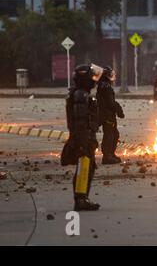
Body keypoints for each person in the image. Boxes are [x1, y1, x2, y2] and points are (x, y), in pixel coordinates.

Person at [61, 64, 103, 211]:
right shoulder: (80, 95)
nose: (94, 80)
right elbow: (80, 121)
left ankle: (82, 198)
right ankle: (80, 200)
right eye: (91, 77)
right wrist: (82, 142)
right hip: (83, 138)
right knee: (84, 167)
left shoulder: (80, 93)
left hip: (85, 137)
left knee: (87, 167)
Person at [96, 67, 125, 165]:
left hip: (106, 113)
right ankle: (107, 156)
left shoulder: (102, 85)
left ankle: (110, 154)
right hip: (107, 115)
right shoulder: (106, 86)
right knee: (110, 135)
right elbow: (110, 102)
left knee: (113, 134)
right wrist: (117, 109)